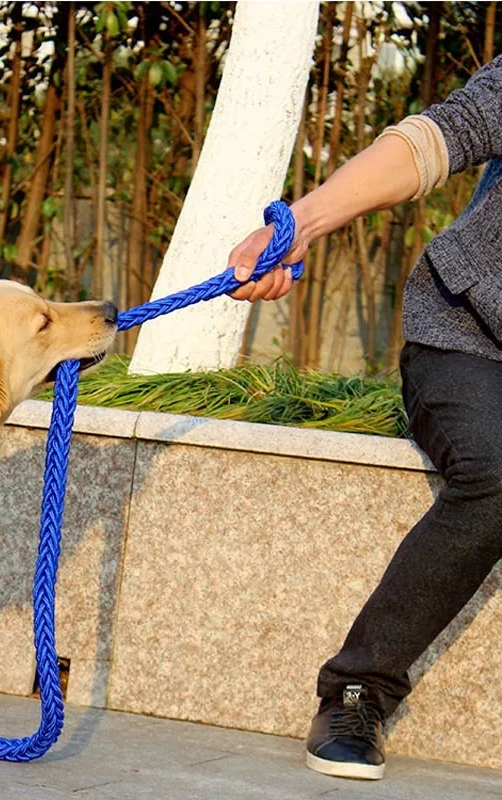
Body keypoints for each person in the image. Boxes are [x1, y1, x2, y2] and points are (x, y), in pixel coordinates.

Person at [227, 53, 502, 781]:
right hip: (469, 341)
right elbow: (438, 138)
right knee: (500, 473)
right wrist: (304, 223)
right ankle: (358, 688)